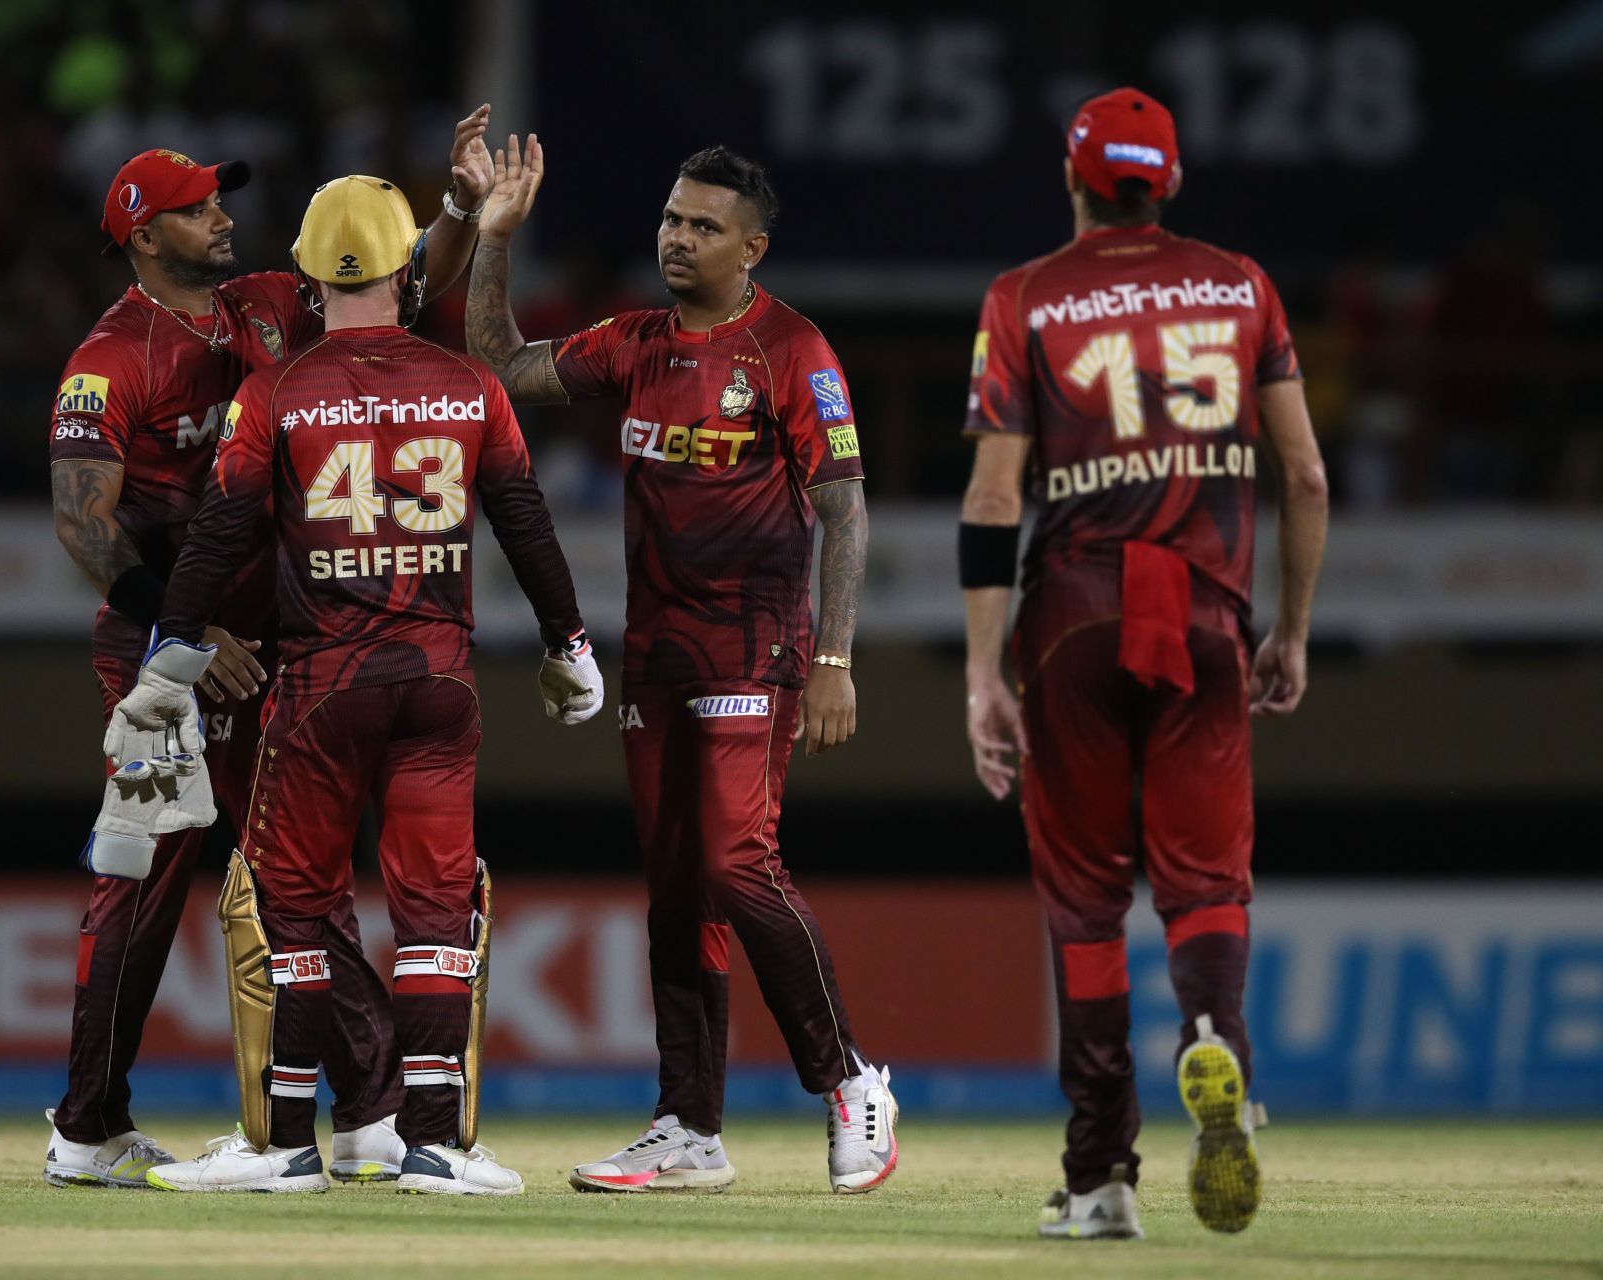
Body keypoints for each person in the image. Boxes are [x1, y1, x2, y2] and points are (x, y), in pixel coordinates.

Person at [42, 109, 495, 1189]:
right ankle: (97, 1124)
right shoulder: (110, 357)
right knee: (156, 884)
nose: (221, 215)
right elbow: (80, 521)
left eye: (219, 198)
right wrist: (187, 636)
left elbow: (403, 275)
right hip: (172, 659)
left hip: (287, 645)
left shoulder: (272, 303)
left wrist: (463, 211)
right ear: (143, 234)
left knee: (295, 880)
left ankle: (363, 1112)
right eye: (196, 208)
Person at [126, 173, 601, 1196]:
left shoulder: (277, 391)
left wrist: (172, 654)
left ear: (305, 268)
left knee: (293, 907)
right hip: (439, 680)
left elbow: (217, 538)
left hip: (323, 682)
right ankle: (434, 1141)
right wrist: (570, 644)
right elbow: (525, 520)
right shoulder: (472, 386)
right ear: (407, 267)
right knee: (434, 912)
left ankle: (287, 1142)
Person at [467, 139, 897, 1194]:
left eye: (703, 226)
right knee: (674, 888)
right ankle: (687, 1124)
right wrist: (494, 241)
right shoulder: (637, 341)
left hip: (757, 641)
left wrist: (835, 657)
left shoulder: (794, 350)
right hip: (656, 651)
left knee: (737, 860)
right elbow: (500, 370)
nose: (676, 236)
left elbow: (845, 507)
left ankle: (850, 1082)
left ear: (752, 247)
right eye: (669, 217)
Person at [958, 88, 1329, 1238]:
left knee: (1084, 900)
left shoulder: (1024, 296)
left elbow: (991, 495)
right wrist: (1292, 627)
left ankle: (1099, 1175)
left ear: (1074, 178)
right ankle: (1216, 1037)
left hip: (1070, 617)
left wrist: (982, 675)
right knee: (1205, 880)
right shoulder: (1243, 283)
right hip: (1208, 620)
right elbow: (1306, 475)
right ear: (1168, 182)